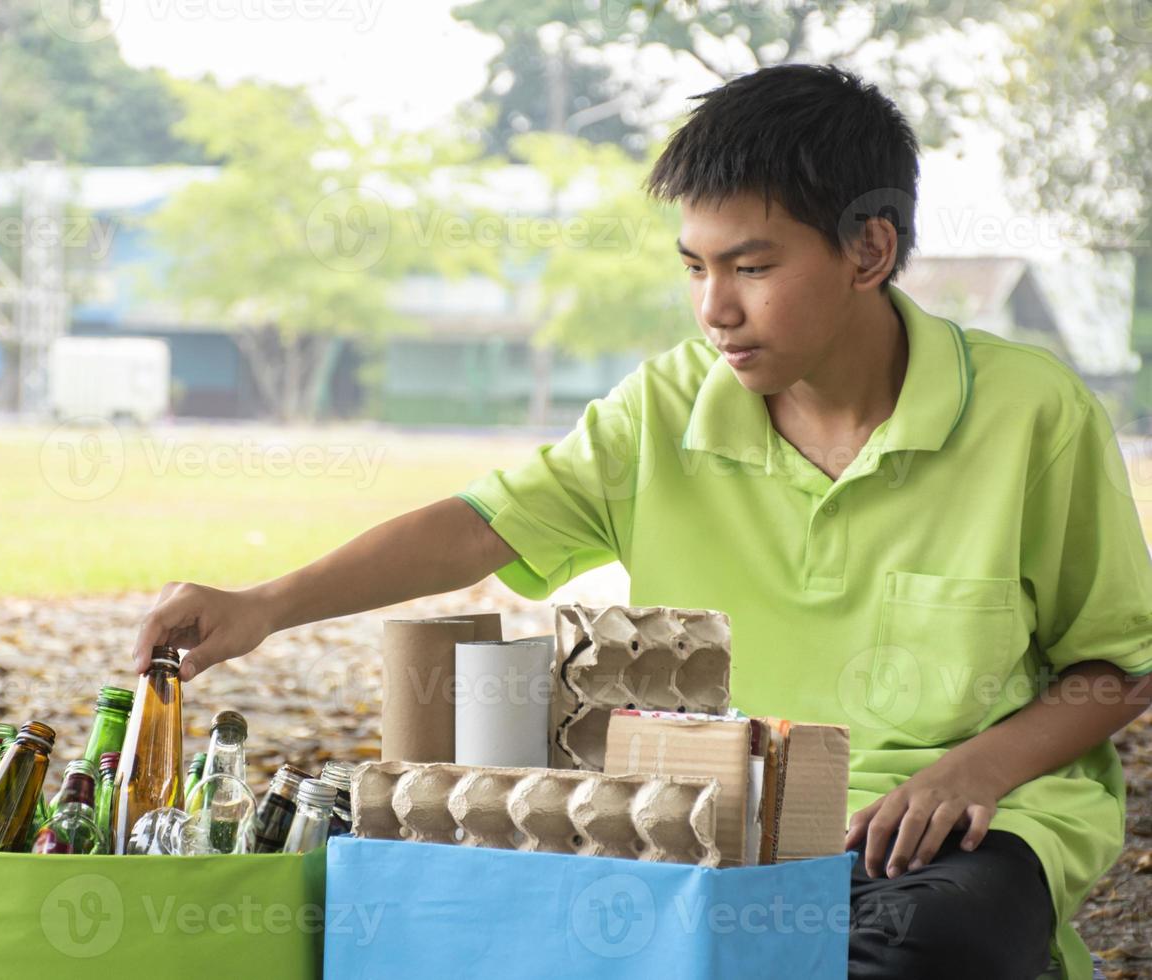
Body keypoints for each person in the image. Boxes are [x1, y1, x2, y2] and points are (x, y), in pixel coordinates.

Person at [130, 64, 1150, 979]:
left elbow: (1120, 664)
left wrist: (973, 766)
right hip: (712, 817)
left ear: (868, 250)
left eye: (751, 266)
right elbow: (481, 526)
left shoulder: (1031, 414)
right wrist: (263, 603)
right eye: (695, 266)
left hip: (952, 829)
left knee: (938, 942)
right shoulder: (662, 409)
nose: (714, 307)